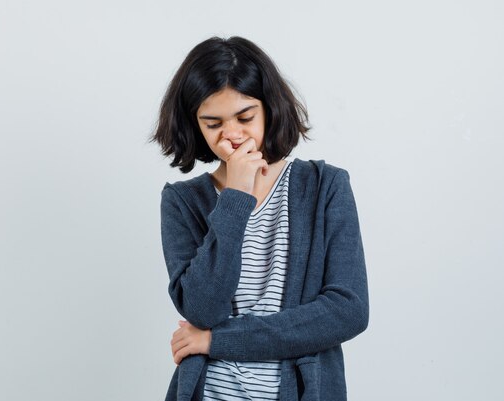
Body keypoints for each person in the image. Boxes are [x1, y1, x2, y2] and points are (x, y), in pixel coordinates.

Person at [150, 36, 369, 401]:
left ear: (268, 108)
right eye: (213, 123)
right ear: (195, 125)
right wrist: (235, 197)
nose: (232, 135)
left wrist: (216, 340)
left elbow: (348, 311)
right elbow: (203, 307)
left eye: (245, 117)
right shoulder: (182, 202)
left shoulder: (325, 187)